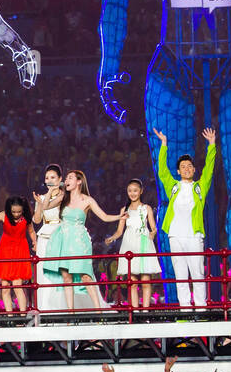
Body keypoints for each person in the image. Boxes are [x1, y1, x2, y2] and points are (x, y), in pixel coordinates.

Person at [154, 127, 217, 310]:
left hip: (194, 235)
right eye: (183, 167)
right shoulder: (173, 186)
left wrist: (212, 145)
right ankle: (185, 309)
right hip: (175, 235)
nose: (187, 169)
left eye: (190, 166)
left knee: (197, 273)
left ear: (194, 169)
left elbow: (209, 170)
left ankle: (201, 308)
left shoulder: (200, 187)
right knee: (180, 274)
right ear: (179, 171)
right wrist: (164, 145)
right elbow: (162, 171)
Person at [45, 170, 115, 311]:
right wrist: (51, 190)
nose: (67, 180)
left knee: (85, 276)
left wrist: (119, 216)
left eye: (70, 177)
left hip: (79, 240)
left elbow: (105, 217)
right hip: (63, 240)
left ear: (79, 181)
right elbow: (45, 207)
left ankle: (98, 311)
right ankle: (71, 312)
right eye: (66, 178)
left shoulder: (87, 200)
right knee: (67, 277)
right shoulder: (63, 197)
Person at [106, 179, 160, 311]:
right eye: (130, 191)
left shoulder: (146, 208)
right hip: (129, 243)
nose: (132, 193)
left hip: (143, 243)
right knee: (133, 282)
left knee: (146, 280)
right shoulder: (124, 209)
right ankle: (135, 310)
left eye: (135, 190)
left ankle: (146, 311)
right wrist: (112, 237)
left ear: (141, 191)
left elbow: (153, 227)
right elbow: (120, 231)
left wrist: (152, 234)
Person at [0, 195, 36, 313]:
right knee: (5, 287)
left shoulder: (26, 217)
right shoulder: (3, 215)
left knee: (18, 286)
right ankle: (9, 316)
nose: (16, 214)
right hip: (5, 251)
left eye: (19, 211)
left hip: (20, 251)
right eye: (14, 211)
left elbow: (32, 231)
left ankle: (22, 315)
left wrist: (35, 241)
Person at [32, 164, 67, 315]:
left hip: (60, 236)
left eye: (53, 177)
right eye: (47, 178)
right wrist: (40, 204)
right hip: (44, 237)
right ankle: (45, 309)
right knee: (43, 274)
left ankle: (61, 310)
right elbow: (37, 219)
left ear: (60, 179)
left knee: (60, 272)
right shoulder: (40, 198)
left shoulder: (65, 196)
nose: (50, 180)